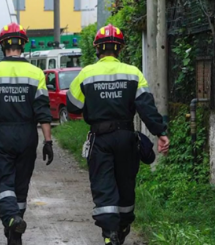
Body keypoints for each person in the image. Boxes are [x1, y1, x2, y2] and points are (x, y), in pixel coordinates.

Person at [66, 24, 170, 245]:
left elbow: (73, 106)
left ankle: (109, 234)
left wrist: (93, 104)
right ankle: (122, 227)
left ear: (97, 49)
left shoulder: (86, 74)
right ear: (120, 49)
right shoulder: (133, 73)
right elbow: (147, 108)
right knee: (125, 184)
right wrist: (160, 133)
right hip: (126, 137)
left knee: (103, 184)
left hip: (100, 139)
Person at [0, 22, 54, 245]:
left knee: (2, 183)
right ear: (23, 46)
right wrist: (48, 141)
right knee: (20, 186)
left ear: (2, 46)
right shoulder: (36, 73)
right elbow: (43, 111)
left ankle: (11, 219)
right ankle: (15, 234)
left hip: (2, 133)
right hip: (28, 134)